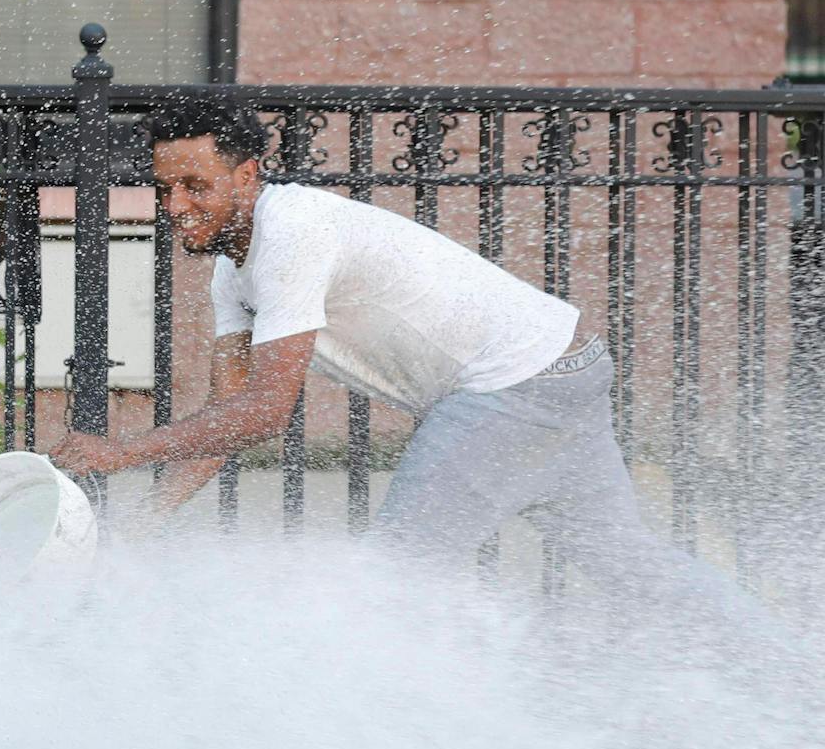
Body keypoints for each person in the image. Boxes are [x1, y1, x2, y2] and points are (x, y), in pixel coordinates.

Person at [51, 96, 760, 635]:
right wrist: (136, 525)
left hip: (510, 385)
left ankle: (446, 725)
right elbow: (226, 423)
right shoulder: (232, 273)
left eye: (195, 186)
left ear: (247, 174)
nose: (176, 207)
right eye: (163, 188)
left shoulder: (290, 231)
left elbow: (267, 412)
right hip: (563, 365)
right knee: (632, 567)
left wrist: (121, 453)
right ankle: (788, 676)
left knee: (390, 588)